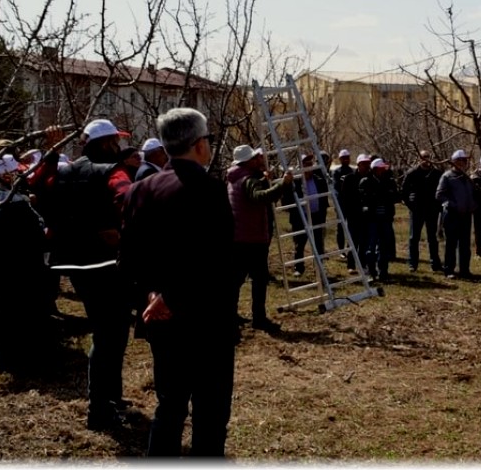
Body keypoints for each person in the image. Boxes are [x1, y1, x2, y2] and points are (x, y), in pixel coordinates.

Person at [121, 108, 237, 457]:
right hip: (206, 319)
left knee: (169, 407)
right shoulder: (208, 188)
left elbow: (129, 259)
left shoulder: (139, 190)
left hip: (160, 318)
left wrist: (152, 295)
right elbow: (217, 260)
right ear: (199, 144)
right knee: (210, 412)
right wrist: (170, 297)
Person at [42, 119, 135, 431]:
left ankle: (112, 397)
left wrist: (51, 152)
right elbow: (128, 201)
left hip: (74, 264)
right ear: (106, 143)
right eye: (116, 141)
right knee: (110, 335)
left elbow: (41, 192)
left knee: (110, 332)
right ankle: (100, 409)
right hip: (107, 263)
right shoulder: (112, 171)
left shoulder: (64, 171)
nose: (119, 146)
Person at [0, 155, 51, 375]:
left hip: (6, 262)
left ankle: (14, 357)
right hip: (15, 262)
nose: (20, 175)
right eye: (15, 172)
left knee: (10, 309)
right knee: (16, 310)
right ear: (5, 174)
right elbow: (28, 230)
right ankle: (19, 359)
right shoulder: (4, 200)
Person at [227, 145, 293, 334]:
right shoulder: (248, 179)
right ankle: (259, 318)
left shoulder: (234, 177)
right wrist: (282, 184)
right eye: (255, 158)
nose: (259, 160)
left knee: (236, 280)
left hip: (239, 236)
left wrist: (264, 180)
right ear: (247, 161)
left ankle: (230, 316)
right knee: (259, 279)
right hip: (251, 237)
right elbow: (258, 197)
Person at [282, 153, 329, 277]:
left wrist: (322, 214)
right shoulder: (294, 182)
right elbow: (286, 200)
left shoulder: (319, 180)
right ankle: (299, 268)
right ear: (300, 166)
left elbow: (324, 200)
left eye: (310, 164)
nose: (308, 167)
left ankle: (319, 268)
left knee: (318, 244)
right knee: (300, 244)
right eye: (306, 164)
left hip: (316, 216)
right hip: (300, 217)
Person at [436, 149, 476, 279]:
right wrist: (452, 205)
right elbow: (439, 194)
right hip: (452, 215)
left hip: (466, 215)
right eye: (460, 160)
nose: (462, 162)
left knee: (465, 244)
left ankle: (465, 270)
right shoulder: (447, 176)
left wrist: (473, 205)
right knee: (451, 244)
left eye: (464, 160)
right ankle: (449, 270)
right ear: (454, 162)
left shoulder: (467, 177)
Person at [402, 150, 443, 272]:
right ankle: (413, 263)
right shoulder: (412, 173)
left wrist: (438, 206)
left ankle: (435, 264)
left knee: (432, 238)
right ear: (419, 159)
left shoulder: (436, 173)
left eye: (428, 157)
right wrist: (411, 205)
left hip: (432, 210)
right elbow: (404, 191)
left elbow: (441, 191)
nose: (426, 159)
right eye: (423, 157)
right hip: (417, 210)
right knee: (414, 238)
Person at [361, 157, 400, 280]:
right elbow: (362, 200)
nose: (383, 171)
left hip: (386, 219)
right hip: (372, 219)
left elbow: (396, 197)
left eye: (383, 168)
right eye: (380, 168)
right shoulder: (366, 181)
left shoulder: (389, 181)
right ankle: (371, 272)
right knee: (371, 246)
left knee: (384, 247)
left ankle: (383, 272)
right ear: (374, 169)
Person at [331, 149, 355, 257]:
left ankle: (350, 247)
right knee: (340, 226)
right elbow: (336, 188)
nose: (346, 160)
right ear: (340, 159)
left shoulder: (352, 171)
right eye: (344, 158)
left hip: (351, 203)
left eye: (347, 158)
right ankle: (341, 250)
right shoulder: (336, 172)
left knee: (351, 226)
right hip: (341, 202)